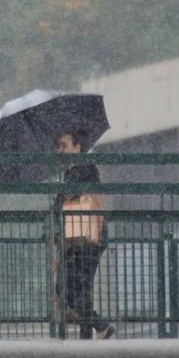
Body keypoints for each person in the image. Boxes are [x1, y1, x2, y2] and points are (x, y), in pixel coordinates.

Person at [56, 130, 115, 340]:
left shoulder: (84, 168)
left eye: (63, 145)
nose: (59, 150)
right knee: (71, 286)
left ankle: (98, 325)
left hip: (88, 239)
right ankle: (94, 323)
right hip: (79, 240)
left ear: (77, 147)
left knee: (74, 286)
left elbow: (69, 194)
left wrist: (62, 191)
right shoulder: (73, 170)